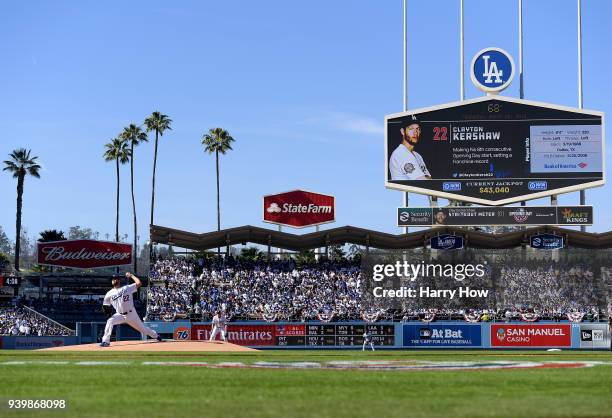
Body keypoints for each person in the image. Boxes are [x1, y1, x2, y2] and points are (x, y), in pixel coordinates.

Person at [100, 272, 161, 347]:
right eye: (112, 279)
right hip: (120, 315)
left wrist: (131, 275)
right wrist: (106, 311)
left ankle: (156, 335)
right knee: (110, 321)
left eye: (115, 279)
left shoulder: (127, 288)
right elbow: (105, 306)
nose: (113, 280)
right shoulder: (109, 293)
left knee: (143, 330)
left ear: (119, 280)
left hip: (131, 314)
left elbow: (139, 283)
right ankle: (105, 341)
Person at [389, 116, 431, 180]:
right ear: (403, 131)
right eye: (411, 129)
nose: (415, 132)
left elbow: (430, 179)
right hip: (402, 190)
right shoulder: (400, 153)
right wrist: (425, 177)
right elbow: (424, 181)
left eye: (418, 129)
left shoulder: (417, 155)